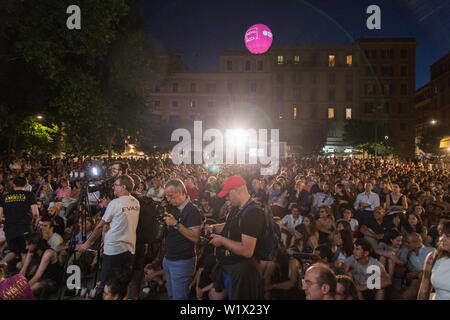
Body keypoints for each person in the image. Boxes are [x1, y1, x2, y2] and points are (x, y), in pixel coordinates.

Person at [79, 175, 140, 299]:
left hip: (113, 250)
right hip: (129, 249)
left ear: (123, 187)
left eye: (115, 185)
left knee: (104, 285)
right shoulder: (135, 202)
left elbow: (100, 226)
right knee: (120, 285)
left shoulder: (115, 203)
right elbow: (122, 220)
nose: (113, 187)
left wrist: (87, 243)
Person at [208, 175, 265, 300]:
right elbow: (231, 226)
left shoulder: (253, 213)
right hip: (230, 265)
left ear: (237, 190)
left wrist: (222, 240)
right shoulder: (237, 207)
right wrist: (213, 227)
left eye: (228, 194)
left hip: (242, 270)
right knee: (214, 295)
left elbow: (247, 251)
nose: (227, 198)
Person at [161, 179, 202, 300]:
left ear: (180, 192)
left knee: (179, 297)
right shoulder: (174, 208)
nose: (168, 199)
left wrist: (176, 224)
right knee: (172, 295)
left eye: (170, 196)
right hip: (169, 258)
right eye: (166, 196)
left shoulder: (192, 211)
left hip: (182, 261)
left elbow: (195, 238)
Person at [0, 177, 39, 266]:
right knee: (24, 253)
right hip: (24, 228)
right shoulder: (29, 195)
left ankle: (2, 266)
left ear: (13, 184)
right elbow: (35, 213)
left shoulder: (5, 196)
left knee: (13, 251)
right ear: (25, 185)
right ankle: (23, 277)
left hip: (9, 229)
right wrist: (33, 222)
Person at [19, 232, 62, 297]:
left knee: (35, 286)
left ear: (35, 244)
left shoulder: (48, 253)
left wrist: (21, 291)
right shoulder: (31, 251)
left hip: (51, 282)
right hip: (39, 279)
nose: (26, 247)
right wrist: (15, 285)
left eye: (28, 245)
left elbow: (37, 276)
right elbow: (23, 270)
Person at [418, 222, 450, 300]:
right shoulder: (433, 257)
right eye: (441, 234)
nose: (442, 239)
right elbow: (424, 290)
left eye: (448, 236)